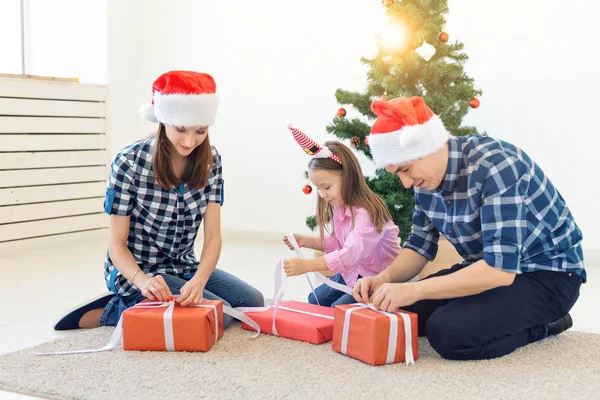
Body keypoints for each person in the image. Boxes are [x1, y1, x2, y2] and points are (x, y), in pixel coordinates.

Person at [352, 96, 586, 360]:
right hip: (486, 266)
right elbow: (419, 245)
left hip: (549, 275)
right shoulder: (424, 181)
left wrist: (413, 289)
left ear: (430, 146)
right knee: (403, 312)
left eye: (406, 169)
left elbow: (499, 271)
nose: (406, 183)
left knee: (448, 333)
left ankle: (548, 324)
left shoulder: (495, 165)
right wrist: (384, 279)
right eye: (398, 174)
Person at [54, 70, 264, 330]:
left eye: (200, 131)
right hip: (138, 272)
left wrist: (199, 281)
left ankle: (149, 304)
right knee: (219, 316)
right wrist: (142, 282)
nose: (190, 141)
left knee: (253, 302)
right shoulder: (128, 162)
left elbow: (213, 237)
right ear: (164, 119)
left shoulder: (212, 160)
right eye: (181, 129)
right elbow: (116, 245)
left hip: (183, 267)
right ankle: (111, 310)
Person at [282, 124, 402, 307]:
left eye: (327, 187)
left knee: (338, 311)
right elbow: (339, 242)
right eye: (318, 188)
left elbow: (349, 256)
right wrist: (305, 241)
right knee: (315, 300)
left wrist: (307, 265)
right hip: (357, 272)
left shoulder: (366, 213)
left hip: (380, 279)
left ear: (348, 177)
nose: (322, 194)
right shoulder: (341, 207)